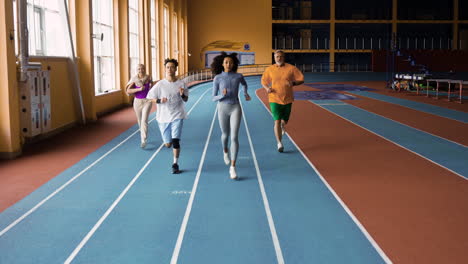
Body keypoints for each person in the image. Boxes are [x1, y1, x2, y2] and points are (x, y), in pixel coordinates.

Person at [211, 52, 250, 180]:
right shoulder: (217, 78)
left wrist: (245, 93)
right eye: (226, 62)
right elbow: (213, 97)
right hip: (222, 107)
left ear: (234, 64)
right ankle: (225, 151)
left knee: (234, 137)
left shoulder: (238, 76)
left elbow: (244, 84)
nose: (228, 64)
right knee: (225, 135)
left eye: (231, 62)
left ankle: (233, 167)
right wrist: (222, 95)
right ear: (222, 64)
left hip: (235, 107)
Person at [147, 59, 188, 174]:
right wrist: (159, 100)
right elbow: (150, 98)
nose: (170, 69)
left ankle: (175, 164)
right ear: (165, 69)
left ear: (176, 69)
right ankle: (167, 142)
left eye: (172, 67)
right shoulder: (160, 84)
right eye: (168, 67)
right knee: (168, 144)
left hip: (177, 114)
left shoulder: (181, 84)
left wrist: (182, 94)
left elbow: (186, 99)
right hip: (163, 117)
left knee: (176, 141)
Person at [261, 50, 304, 152]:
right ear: (274, 58)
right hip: (274, 98)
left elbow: (301, 79)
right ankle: (279, 143)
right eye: (277, 57)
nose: (279, 58)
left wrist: (293, 83)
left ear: (284, 57)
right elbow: (263, 81)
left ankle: (283, 124)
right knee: (277, 120)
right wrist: (267, 88)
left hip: (287, 99)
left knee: (285, 120)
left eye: (280, 56)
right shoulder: (270, 69)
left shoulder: (291, 68)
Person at [126, 64, 153, 148]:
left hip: (147, 101)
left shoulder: (148, 77)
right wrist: (138, 89)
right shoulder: (134, 79)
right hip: (137, 101)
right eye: (139, 69)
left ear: (145, 69)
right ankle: (142, 133)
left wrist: (151, 86)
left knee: (144, 120)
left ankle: (143, 140)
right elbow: (128, 90)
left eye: (142, 69)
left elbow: (152, 84)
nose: (140, 70)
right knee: (140, 120)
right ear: (136, 70)